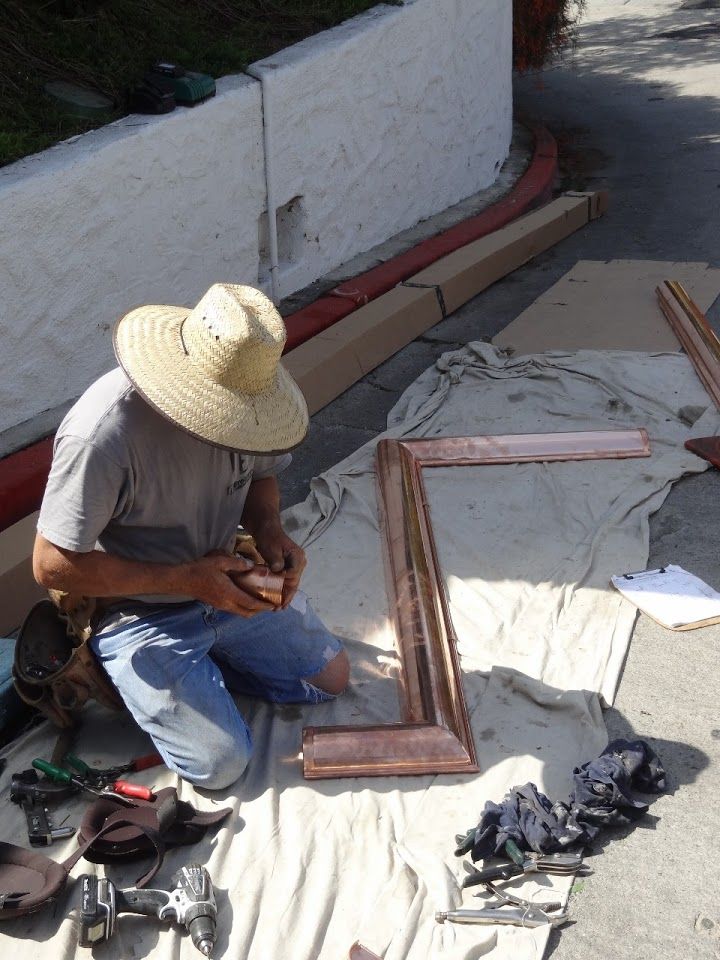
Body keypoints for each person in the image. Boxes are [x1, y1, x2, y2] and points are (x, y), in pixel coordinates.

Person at [32, 283, 350, 790]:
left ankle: (204, 669)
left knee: (328, 679)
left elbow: (263, 477)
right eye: (218, 416)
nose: (229, 431)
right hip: (134, 610)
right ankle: (112, 673)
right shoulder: (104, 433)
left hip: (223, 581)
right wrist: (184, 579)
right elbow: (51, 563)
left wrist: (270, 532)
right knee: (220, 766)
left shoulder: (251, 405)